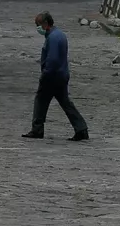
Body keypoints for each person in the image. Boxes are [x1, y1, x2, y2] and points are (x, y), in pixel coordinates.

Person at [23, 12, 88, 141]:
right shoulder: (60, 35)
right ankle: (81, 128)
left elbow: (52, 60)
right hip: (62, 75)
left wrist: (45, 74)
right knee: (66, 103)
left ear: (46, 23)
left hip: (52, 76)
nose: (38, 28)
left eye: (38, 25)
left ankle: (37, 129)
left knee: (40, 101)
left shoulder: (52, 38)